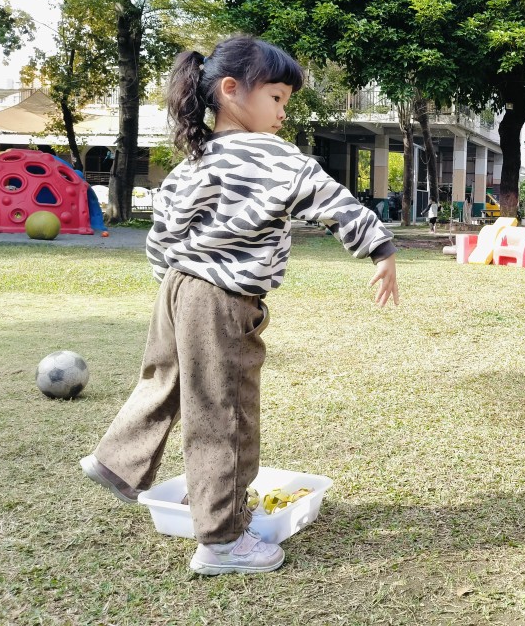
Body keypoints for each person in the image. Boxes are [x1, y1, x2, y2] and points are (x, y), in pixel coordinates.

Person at [79, 36, 399, 576]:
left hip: (176, 288)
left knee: (166, 381)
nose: (282, 113)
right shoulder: (274, 156)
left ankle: (118, 461)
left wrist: (174, 287)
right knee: (225, 413)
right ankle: (223, 541)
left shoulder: (195, 159)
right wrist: (380, 249)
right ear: (231, 90)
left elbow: (161, 235)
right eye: (276, 98)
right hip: (222, 300)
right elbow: (333, 201)